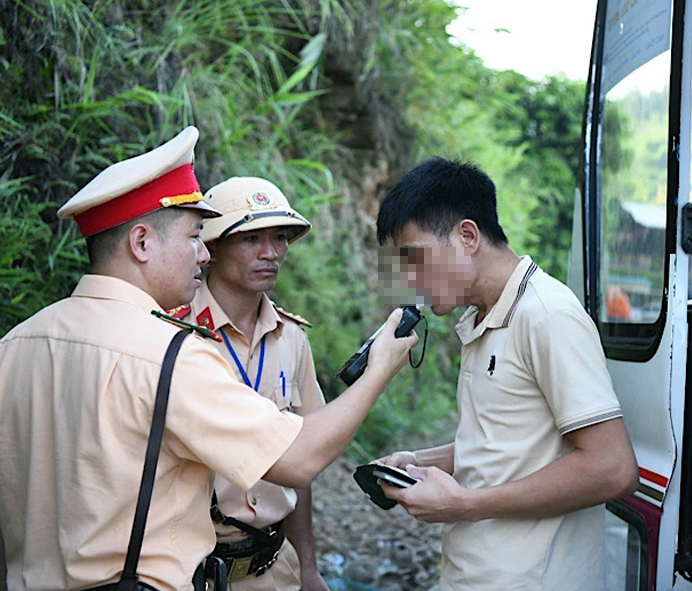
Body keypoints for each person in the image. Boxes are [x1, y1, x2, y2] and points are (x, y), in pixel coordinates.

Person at [0, 127, 417, 591]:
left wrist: (306, 565)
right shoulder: (169, 353)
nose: (202, 253)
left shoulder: (14, 345)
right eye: (195, 236)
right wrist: (380, 369)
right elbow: (298, 461)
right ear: (142, 243)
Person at [373, 158, 639, 591]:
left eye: (415, 258)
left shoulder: (547, 315)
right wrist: (417, 463)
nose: (409, 278)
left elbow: (612, 468)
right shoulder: (484, 317)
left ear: (467, 236)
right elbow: (503, 445)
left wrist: (465, 504)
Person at [171, 176, 328, 590]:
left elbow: (302, 463)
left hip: (274, 568)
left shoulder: (292, 338)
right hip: (189, 573)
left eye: (280, 237)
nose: (270, 252)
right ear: (213, 247)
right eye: (251, 238)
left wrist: (308, 567)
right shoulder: (173, 332)